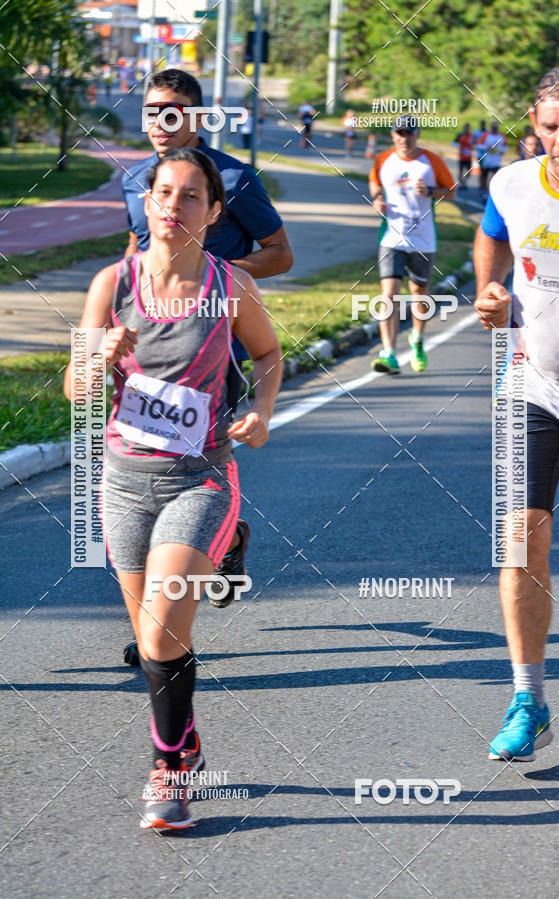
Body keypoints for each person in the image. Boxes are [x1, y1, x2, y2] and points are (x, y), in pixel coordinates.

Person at [64, 148, 283, 828]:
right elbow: (74, 390)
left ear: (214, 212)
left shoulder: (231, 285)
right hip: (125, 481)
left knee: (160, 633)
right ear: (147, 201)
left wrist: (261, 410)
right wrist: (97, 359)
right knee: (157, 644)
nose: (173, 205)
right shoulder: (112, 284)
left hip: (201, 478)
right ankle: (185, 743)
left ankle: (168, 770)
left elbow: (268, 353)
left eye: (191, 196)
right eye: (164, 192)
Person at [120, 69, 292, 646]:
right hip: (147, 351)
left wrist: (217, 277)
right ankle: (219, 545)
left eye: (172, 110)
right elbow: (137, 247)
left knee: (186, 469)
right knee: (145, 467)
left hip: (215, 356)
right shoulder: (137, 180)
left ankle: (163, 626)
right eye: (151, 111)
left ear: (197, 117)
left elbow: (280, 253)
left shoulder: (234, 179)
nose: (159, 122)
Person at [474, 61, 559, 761]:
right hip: (532, 384)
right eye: (550, 127)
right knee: (520, 540)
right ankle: (528, 699)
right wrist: (490, 290)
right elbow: (493, 234)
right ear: (533, 124)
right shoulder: (513, 182)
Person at [368, 116, 455, 374]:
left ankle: (417, 339)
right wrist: (377, 199)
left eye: (409, 133)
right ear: (393, 135)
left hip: (423, 238)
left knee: (419, 293)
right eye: (399, 133)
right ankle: (389, 354)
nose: (404, 138)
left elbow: (451, 191)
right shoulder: (383, 159)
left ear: (417, 134)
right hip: (392, 237)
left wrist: (431, 191)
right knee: (389, 294)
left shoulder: (431, 161)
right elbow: (375, 182)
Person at [477, 121, 508, 195]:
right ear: (491, 127)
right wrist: (487, 147)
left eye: (496, 127)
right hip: (486, 160)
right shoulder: (486, 135)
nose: (495, 128)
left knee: (495, 177)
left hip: (496, 161)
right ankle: (484, 191)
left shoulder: (501, 136)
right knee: (484, 176)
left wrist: (502, 151)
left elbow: (506, 146)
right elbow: (478, 145)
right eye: (493, 127)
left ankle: (491, 192)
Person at [454, 123, 473, 188]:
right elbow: (453, 143)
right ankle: (461, 183)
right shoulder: (460, 135)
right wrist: (460, 146)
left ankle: (464, 181)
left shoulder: (471, 136)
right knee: (461, 171)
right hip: (461, 157)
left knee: (469, 171)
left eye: (468, 128)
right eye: (466, 128)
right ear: (464, 128)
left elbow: (475, 143)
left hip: (469, 157)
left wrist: (472, 147)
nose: (467, 129)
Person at [472, 119, 487, 190]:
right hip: (479, 154)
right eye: (482, 123)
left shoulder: (488, 132)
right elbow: (472, 142)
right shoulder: (476, 132)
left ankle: (485, 185)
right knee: (482, 171)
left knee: (486, 171)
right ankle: (481, 185)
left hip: (487, 155)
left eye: (484, 123)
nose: (483, 124)